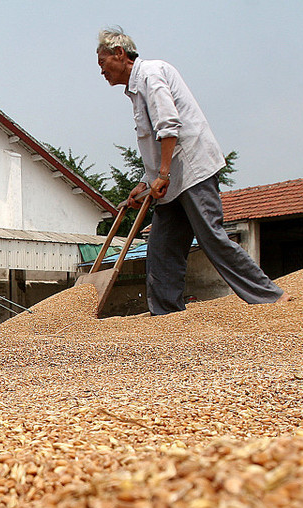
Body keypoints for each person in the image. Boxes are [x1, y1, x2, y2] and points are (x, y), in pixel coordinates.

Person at [96, 28, 291, 315]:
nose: (101, 71)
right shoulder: (136, 92)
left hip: (192, 171)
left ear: (120, 54)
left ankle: (270, 297)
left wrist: (161, 175)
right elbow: (153, 141)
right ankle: (167, 316)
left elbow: (169, 125)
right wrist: (145, 181)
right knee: (161, 250)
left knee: (211, 237)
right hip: (169, 181)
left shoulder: (151, 74)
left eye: (102, 63)